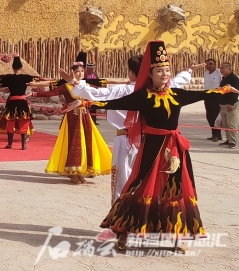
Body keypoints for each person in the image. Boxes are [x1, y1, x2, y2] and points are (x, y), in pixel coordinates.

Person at [89, 41, 239, 251]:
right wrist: (86, 103)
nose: (165, 73)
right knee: (138, 187)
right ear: (150, 73)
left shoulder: (176, 94)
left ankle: (177, 235)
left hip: (175, 150)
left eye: (167, 70)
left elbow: (203, 94)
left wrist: (224, 89)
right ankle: (123, 232)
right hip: (151, 147)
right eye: (160, 70)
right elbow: (115, 103)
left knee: (174, 191)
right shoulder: (143, 96)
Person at [66, 57, 197, 202]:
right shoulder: (159, 90)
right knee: (148, 180)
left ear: (132, 72)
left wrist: (74, 82)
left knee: (121, 182)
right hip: (150, 140)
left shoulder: (123, 90)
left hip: (125, 139)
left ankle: (118, 219)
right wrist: (189, 71)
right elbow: (179, 80)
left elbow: (93, 93)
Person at [35, 60, 112, 184]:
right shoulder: (66, 87)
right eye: (77, 72)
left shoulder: (86, 86)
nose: (80, 73)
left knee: (86, 143)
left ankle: (80, 171)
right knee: (74, 144)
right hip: (72, 118)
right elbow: (50, 93)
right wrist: (34, 93)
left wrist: (84, 102)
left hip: (85, 117)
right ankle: (71, 172)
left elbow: (94, 99)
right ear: (72, 73)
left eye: (82, 71)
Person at [0, 56, 44, 150]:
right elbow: (39, 79)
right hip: (22, 103)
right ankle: (23, 145)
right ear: (21, 68)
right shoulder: (27, 77)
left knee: (10, 123)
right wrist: (52, 82)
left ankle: (9, 144)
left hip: (12, 103)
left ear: (13, 68)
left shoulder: (9, 78)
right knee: (23, 123)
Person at [218, 63, 239, 148]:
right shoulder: (224, 79)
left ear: (229, 69)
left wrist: (231, 104)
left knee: (231, 124)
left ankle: (233, 141)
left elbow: (235, 92)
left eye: (223, 68)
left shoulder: (234, 79)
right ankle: (228, 139)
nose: (221, 70)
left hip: (231, 104)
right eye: (220, 68)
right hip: (223, 104)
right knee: (225, 124)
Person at [203, 59, 222, 141]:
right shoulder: (206, 74)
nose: (209, 66)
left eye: (211, 64)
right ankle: (214, 133)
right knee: (209, 116)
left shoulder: (219, 72)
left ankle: (217, 134)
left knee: (215, 116)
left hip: (217, 95)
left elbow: (222, 84)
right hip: (207, 95)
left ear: (215, 64)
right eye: (207, 64)